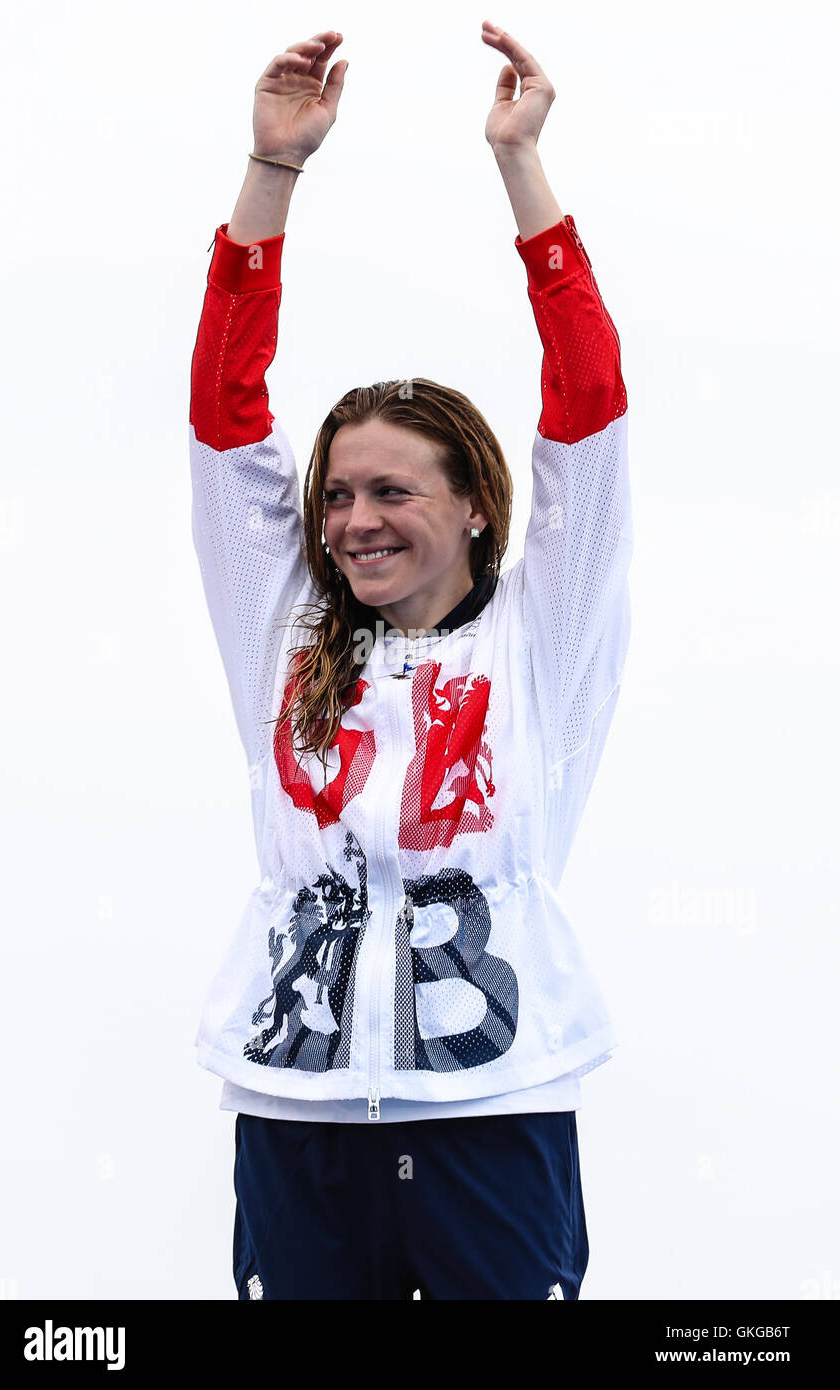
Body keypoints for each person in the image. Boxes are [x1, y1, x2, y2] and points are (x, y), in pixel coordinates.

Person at [188, 21, 633, 1300]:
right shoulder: (281, 628)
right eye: (332, 497)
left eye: (390, 491)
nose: (351, 521)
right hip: (297, 1114)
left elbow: (588, 414)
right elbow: (226, 418)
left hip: (493, 1110)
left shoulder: (538, 637)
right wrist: (271, 174)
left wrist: (521, 169)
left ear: (478, 504)